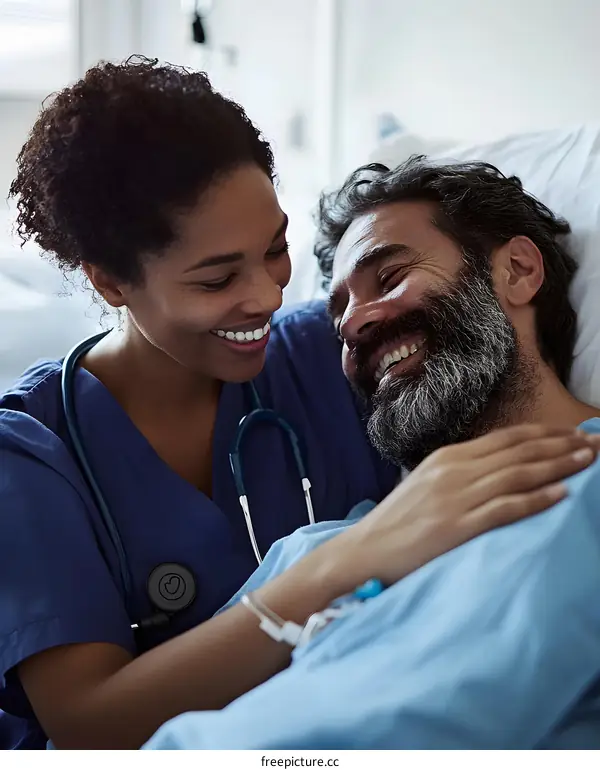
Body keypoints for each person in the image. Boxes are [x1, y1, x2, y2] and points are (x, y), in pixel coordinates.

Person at [0, 60, 570, 751]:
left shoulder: (338, 349)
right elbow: (92, 729)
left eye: (274, 251)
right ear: (113, 282)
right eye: (217, 278)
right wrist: (349, 559)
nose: (269, 297)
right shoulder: (31, 448)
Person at [143, 158, 600, 750]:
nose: (354, 325)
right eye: (339, 320)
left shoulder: (586, 496)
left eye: (389, 279)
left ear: (516, 269)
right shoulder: (312, 555)